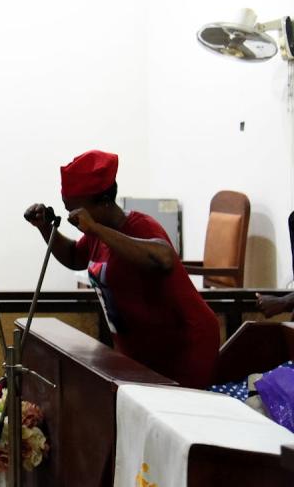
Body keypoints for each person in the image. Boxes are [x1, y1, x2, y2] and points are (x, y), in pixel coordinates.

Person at [23, 150, 220, 389]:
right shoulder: (98, 231)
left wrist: (95, 228)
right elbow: (76, 256)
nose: (72, 217)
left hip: (183, 346)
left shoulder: (140, 225)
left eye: (76, 210)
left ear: (104, 201)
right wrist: (45, 228)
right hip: (140, 349)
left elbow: (164, 258)